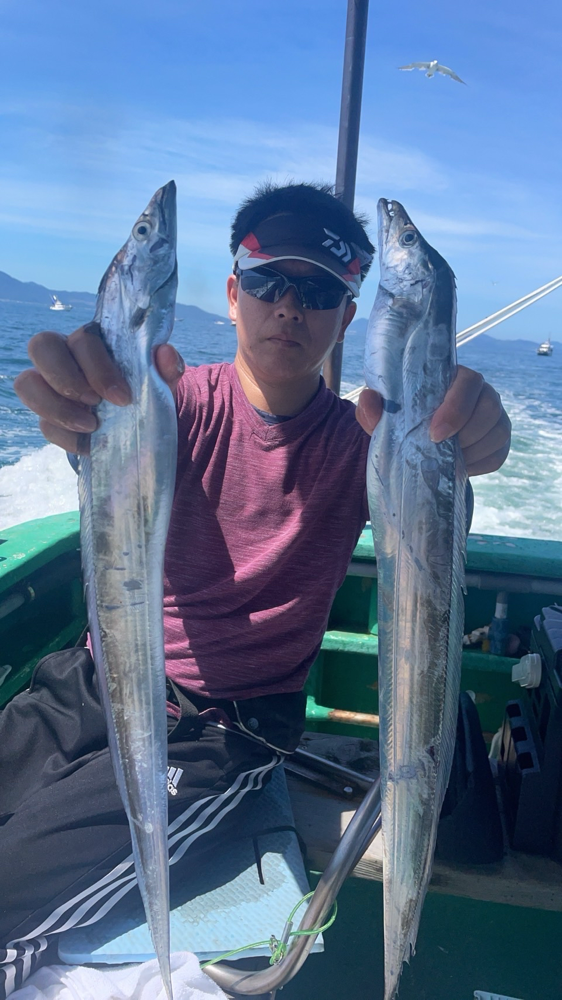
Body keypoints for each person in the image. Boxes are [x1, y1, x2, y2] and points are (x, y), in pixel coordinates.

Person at [3, 182, 511, 996]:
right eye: (269, 280)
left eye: (318, 292)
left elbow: (428, 521)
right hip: (86, 683)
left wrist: (467, 440)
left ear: (349, 317)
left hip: (219, 733)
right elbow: (98, 443)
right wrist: (79, 413)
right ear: (233, 294)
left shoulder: (368, 445)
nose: (289, 307)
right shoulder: (164, 406)